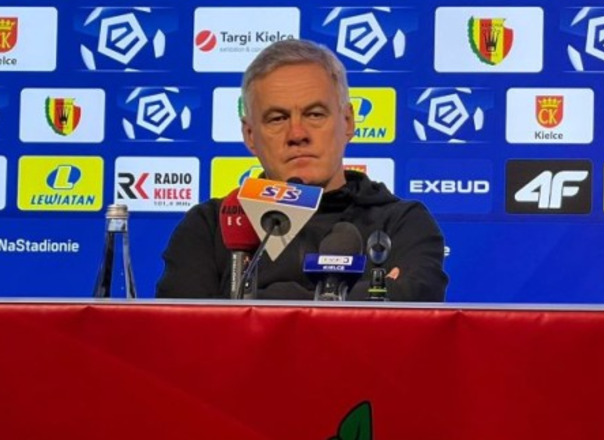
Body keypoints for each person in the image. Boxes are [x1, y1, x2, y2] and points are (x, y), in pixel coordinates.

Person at [157, 39, 448, 301]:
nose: (297, 134)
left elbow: (413, 326)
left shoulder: (403, 224)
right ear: (250, 136)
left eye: (315, 114)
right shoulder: (210, 227)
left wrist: (248, 302)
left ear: (347, 122)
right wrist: (361, 298)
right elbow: (183, 333)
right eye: (277, 118)